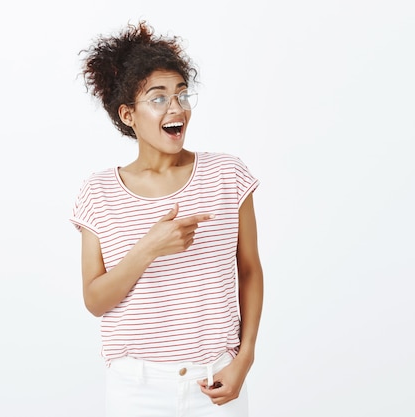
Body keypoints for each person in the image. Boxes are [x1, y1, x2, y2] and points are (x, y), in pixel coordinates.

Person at [70, 21, 263, 417]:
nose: (176, 109)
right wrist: (150, 247)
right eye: (158, 98)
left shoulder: (228, 175)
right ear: (128, 114)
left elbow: (249, 270)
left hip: (217, 382)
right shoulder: (99, 192)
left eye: (181, 94)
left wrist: (244, 359)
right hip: (136, 390)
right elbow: (95, 299)